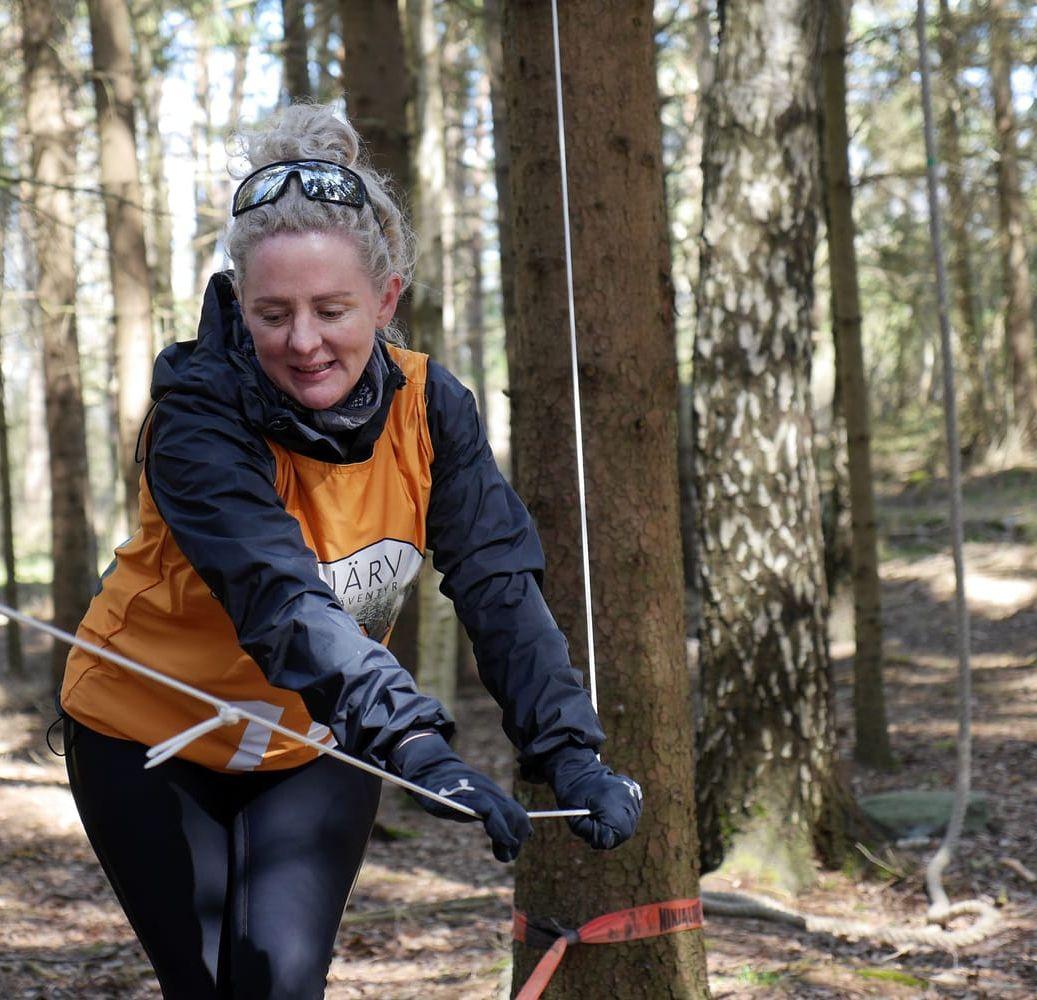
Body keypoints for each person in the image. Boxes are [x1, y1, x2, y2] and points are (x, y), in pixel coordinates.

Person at [58, 103, 641, 1000]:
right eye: (272, 312)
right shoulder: (197, 417)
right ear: (236, 305)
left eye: (332, 310)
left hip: (317, 740)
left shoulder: (428, 405)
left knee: (280, 987)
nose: (303, 341)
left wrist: (568, 751)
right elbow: (280, 599)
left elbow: (497, 582)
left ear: (386, 299)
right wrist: (413, 739)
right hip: (149, 733)